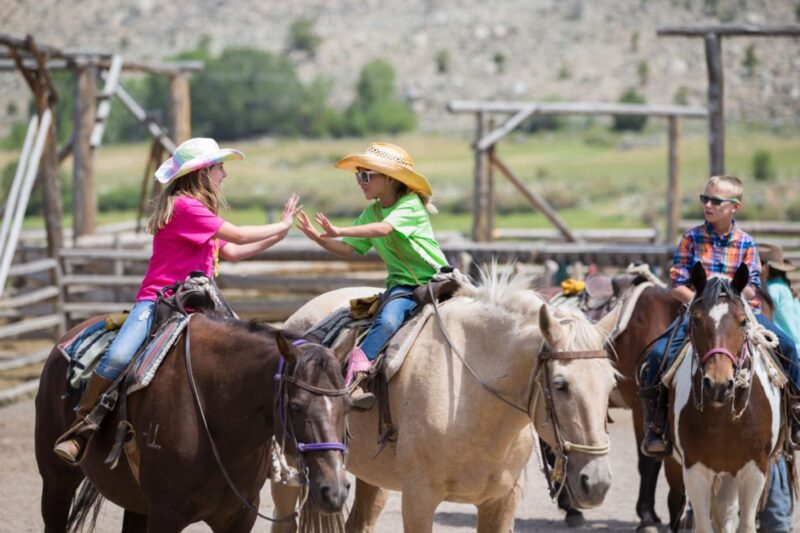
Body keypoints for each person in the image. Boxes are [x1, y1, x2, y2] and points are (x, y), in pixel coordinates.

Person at [54, 137, 302, 464]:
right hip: (160, 299)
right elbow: (239, 236)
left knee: (247, 352)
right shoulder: (187, 207)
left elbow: (234, 252)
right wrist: (281, 224)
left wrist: (277, 235)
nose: (224, 174)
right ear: (202, 173)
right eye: (219, 167)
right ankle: (84, 423)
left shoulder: (198, 212)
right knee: (118, 356)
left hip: (199, 299)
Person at [638, 175, 800, 457]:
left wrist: (728, 301)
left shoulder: (746, 243)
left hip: (740, 315)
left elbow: (752, 286)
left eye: (715, 200)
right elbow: (676, 283)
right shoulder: (691, 238)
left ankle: (795, 413)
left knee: (787, 347)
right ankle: (657, 424)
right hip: (698, 316)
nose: (708, 205)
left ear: (735, 206)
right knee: (656, 356)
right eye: (705, 199)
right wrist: (702, 303)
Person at [296, 142, 448, 407]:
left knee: (391, 321)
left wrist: (339, 229)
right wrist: (318, 237)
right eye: (358, 175)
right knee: (366, 318)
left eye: (365, 176)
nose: (359, 182)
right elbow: (345, 249)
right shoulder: (371, 213)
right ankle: (347, 374)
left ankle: (357, 375)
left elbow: (384, 229)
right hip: (402, 288)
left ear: (389, 178)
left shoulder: (410, 204)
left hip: (435, 281)